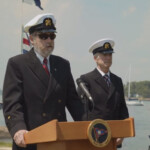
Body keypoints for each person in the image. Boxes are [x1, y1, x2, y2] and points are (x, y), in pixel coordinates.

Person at [2, 13, 84, 150]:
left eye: (52, 36)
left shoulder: (63, 65)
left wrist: (92, 126)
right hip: (30, 140)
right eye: (43, 36)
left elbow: (74, 103)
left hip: (58, 140)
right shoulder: (17, 64)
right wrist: (18, 129)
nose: (49, 40)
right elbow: (12, 104)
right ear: (32, 39)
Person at [77, 38, 129, 147]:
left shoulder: (117, 81)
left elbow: (123, 109)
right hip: (94, 137)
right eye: (104, 55)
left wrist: (122, 134)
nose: (108, 58)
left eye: (110, 55)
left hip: (114, 137)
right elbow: (80, 111)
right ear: (95, 58)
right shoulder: (86, 80)